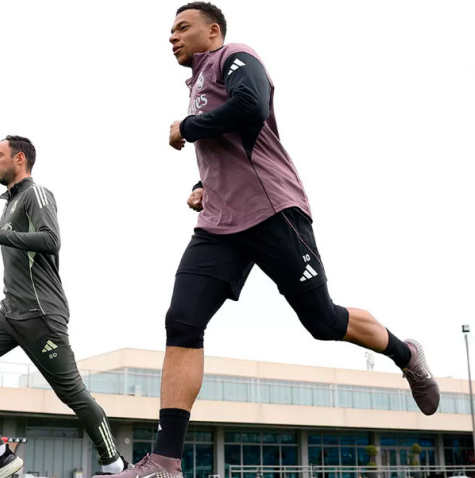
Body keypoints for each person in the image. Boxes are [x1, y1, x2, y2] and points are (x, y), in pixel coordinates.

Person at [95, 4, 440, 478]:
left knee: (322, 321)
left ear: (212, 31)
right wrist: (203, 189)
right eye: (169, 30)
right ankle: (165, 462)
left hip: (273, 212)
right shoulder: (195, 84)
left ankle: (406, 355)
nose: (171, 37)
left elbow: (250, 107)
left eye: (182, 28)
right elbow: (228, 153)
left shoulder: (236, 56)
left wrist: (186, 128)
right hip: (220, 225)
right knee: (182, 320)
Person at [0, 135, 129, 478]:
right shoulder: (10, 203)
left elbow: (51, 240)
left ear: (19, 159)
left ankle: (115, 464)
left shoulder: (37, 194)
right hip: (9, 312)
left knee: (72, 393)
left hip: (41, 313)